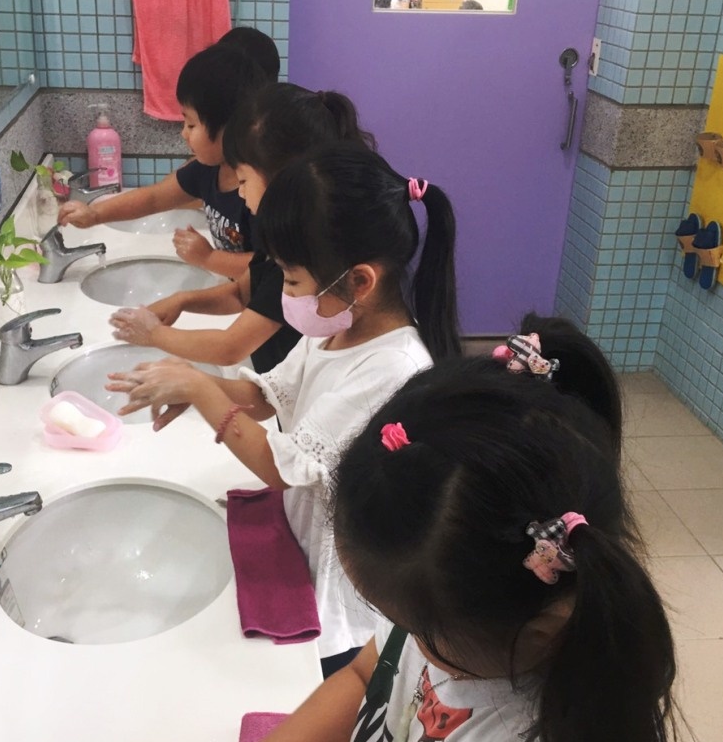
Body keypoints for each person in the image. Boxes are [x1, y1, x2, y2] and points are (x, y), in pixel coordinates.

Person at [106, 334, 678, 742]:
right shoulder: (458, 611)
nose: (399, 633)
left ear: (541, 626)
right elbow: (366, 677)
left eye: (408, 624)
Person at [107, 145, 460, 676]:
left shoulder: (393, 367)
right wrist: (194, 386)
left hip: (337, 597)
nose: (286, 293)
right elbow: (268, 396)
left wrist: (200, 390)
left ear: (359, 281)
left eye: (292, 280)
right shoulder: (338, 326)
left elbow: (282, 467)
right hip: (297, 537)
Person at [109, 83, 376, 374]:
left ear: (283, 180)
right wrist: (182, 300)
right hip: (274, 386)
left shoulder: (302, 259)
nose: (239, 192)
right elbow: (241, 294)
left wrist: (154, 334)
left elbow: (230, 347)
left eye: (243, 180)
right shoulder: (276, 238)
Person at [57, 42, 271, 279]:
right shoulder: (207, 170)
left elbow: (273, 267)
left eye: (191, 124)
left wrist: (210, 258)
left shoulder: (259, 191)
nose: (184, 133)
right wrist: (95, 214)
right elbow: (154, 198)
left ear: (230, 128)